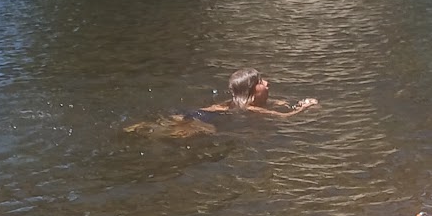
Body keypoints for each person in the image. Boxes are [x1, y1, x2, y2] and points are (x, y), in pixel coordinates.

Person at [125, 67, 318, 137]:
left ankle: (140, 125)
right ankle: (145, 129)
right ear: (251, 90)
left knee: (171, 122)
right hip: (202, 119)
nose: (267, 83)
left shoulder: (233, 102)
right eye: (260, 82)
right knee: (175, 134)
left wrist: (277, 102)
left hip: (195, 112)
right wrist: (304, 107)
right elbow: (284, 117)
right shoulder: (250, 108)